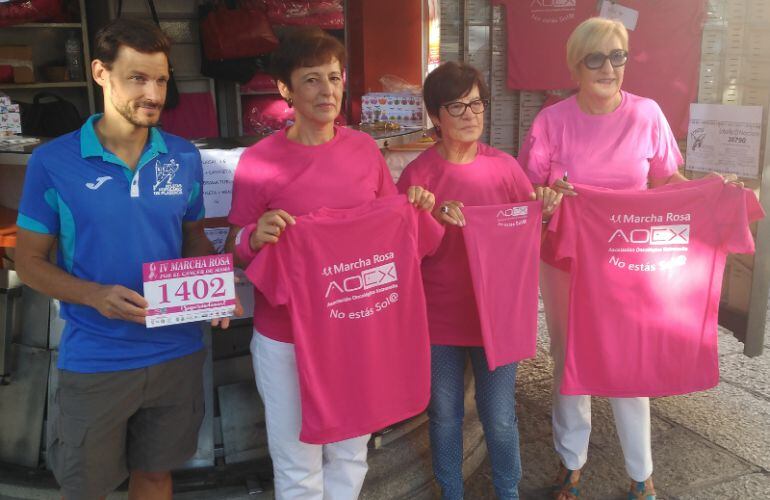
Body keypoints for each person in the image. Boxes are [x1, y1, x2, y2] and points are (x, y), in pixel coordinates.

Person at [14, 19, 238, 500]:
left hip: (177, 351)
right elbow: (28, 261)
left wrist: (212, 293)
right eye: (137, 78)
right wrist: (94, 296)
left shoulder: (183, 157)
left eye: (160, 79)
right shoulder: (53, 162)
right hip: (97, 356)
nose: (153, 93)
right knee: (87, 487)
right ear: (100, 73)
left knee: (156, 475)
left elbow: (193, 235)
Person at [518, 17, 738, 500]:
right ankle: (571, 462)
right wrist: (550, 197)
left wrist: (714, 192)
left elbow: (668, 181)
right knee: (568, 356)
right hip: (565, 261)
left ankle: (641, 473)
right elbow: (530, 191)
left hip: (627, 262)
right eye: (595, 58)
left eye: (616, 56)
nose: (608, 67)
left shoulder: (648, 114)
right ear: (576, 65)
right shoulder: (551, 121)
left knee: (626, 359)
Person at [223, 27, 435, 500]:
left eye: (334, 78)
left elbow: (385, 230)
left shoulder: (363, 149)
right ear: (286, 90)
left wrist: (413, 205)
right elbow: (232, 247)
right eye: (312, 79)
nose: (327, 90)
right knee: (298, 462)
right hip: (286, 338)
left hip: (353, 329)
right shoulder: (259, 162)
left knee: (351, 450)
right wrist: (253, 237)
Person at [397, 61, 561, 500]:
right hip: (439, 319)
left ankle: (508, 492)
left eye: (477, 103)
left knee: (500, 415)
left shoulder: (506, 169)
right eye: (457, 105)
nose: (471, 114)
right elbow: (400, 252)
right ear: (435, 116)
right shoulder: (417, 176)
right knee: (444, 414)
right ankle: (451, 492)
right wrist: (427, 215)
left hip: (497, 317)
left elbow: (529, 242)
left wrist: (543, 210)